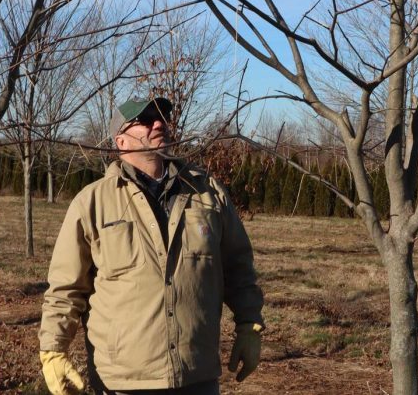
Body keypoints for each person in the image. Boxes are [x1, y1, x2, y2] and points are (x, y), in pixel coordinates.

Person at [39, 97, 264, 395]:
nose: (159, 124)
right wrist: (54, 349)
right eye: (145, 120)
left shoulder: (207, 192)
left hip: (196, 374)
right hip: (124, 380)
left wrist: (250, 324)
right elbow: (66, 288)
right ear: (121, 140)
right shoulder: (92, 202)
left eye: (161, 118)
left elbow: (238, 269)